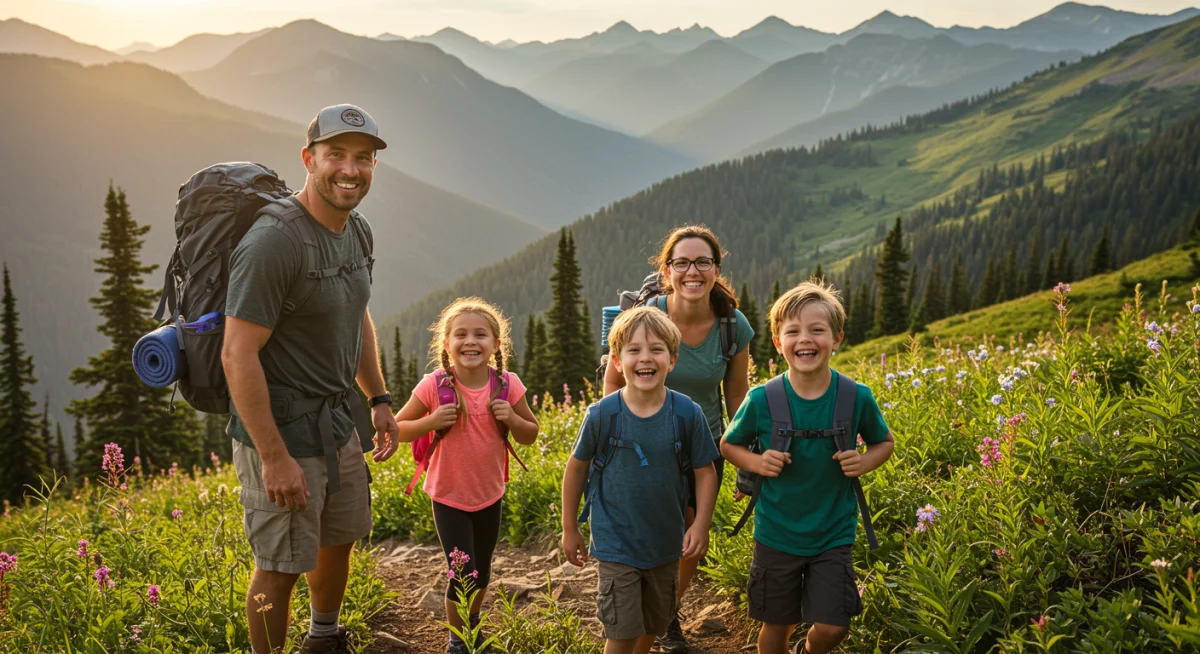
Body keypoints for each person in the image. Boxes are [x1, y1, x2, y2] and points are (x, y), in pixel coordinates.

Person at [222, 104, 400, 654]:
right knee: (279, 564)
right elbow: (237, 354)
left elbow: (357, 314)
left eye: (363, 159)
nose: (351, 170)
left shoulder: (357, 231)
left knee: (338, 538)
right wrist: (273, 457)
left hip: (336, 419)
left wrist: (378, 398)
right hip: (280, 428)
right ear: (308, 159)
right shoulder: (274, 242)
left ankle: (323, 639)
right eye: (336, 156)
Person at [721, 280, 895, 654]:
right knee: (777, 624)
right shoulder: (762, 399)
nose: (806, 339)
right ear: (778, 340)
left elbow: (885, 442)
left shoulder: (855, 397)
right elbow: (729, 445)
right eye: (793, 331)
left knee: (833, 626)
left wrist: (863, 461)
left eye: (818, 330)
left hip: (834, 533)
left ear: (837, 339)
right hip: (776, 532)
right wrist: (757, 461)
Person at [603, 224, 753, 652]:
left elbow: (738, 394)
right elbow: (613, 382)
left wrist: (747, 456)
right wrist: (613, 437)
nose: (693, 271)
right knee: (649, 535)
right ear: (666, 270)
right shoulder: (647, 316)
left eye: (702, 262)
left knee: (691, 541)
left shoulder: (731, 326)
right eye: (682, 262)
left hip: (703, 448)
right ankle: (638, 616)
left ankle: (666, 616)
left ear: (716, 269)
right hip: (641, 445)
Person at [565, 306, 720, 654]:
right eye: (633, 350)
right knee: (621, 632)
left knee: (656, 622)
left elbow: (705, 471)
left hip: (666, 544)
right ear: (616, 362)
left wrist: (701, 525)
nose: (645, 358)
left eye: (656, 350)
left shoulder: (687, 413)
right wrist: (569, 527)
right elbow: (576, 468)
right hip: (616, 543)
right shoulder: (603, 414)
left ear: (673, 360)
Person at [393, 297, 539, 653]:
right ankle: (458, 641)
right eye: (460, 334)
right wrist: (431, 421)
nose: (470, 341)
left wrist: (512, 418)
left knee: (483, 572)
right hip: (448, 496)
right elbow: (398, 428)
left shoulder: (507, 384)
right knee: (462, 572)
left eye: (480, 334)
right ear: (445, 344)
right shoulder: (434, 384)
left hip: (490, 493)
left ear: (495, 344)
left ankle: (471, 623)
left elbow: (530, 433)